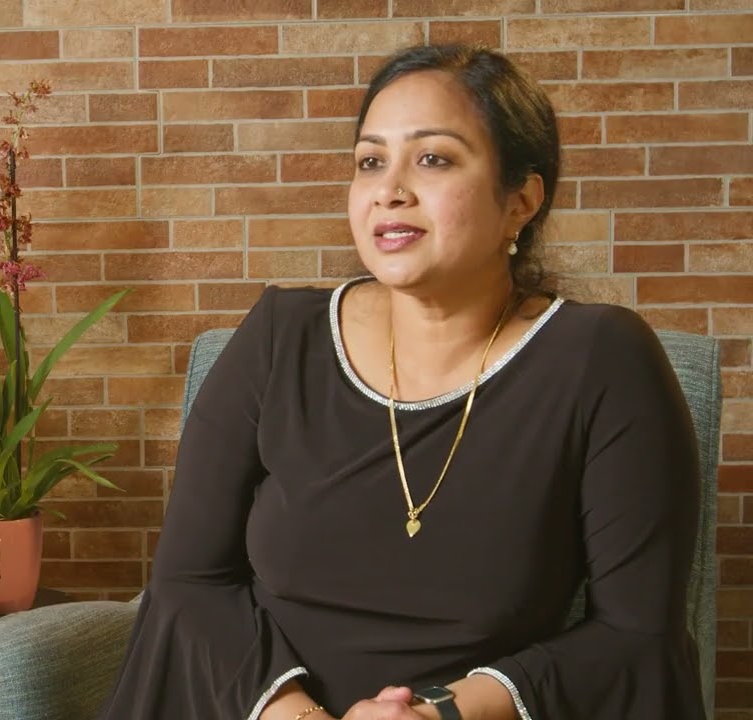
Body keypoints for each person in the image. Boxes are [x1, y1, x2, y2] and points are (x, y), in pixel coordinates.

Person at [97, 44, 705, 720]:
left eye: (434, 158)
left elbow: (635, 633)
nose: (390, 189)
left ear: (521, 200)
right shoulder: (278, 337)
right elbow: (189, 584)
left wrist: (439, 712)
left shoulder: (600, 359)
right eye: (370, 161)